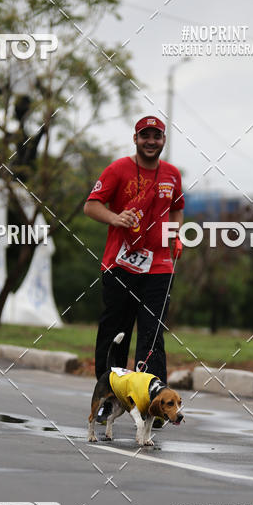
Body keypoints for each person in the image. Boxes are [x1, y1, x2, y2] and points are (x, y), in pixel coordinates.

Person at [84, 115, 185, 384]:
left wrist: (175, 235)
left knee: (152, 334)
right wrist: (115, 218)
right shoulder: (118, 169)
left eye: (156, 136)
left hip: (159, 267)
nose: (151, 141)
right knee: (116, 331)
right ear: (135, 139)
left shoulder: (172, 174)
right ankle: (109, 391)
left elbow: (177, 208)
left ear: (164, 140)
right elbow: (91, 205)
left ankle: (153, 395)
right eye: (145, 136)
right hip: (120, 265)